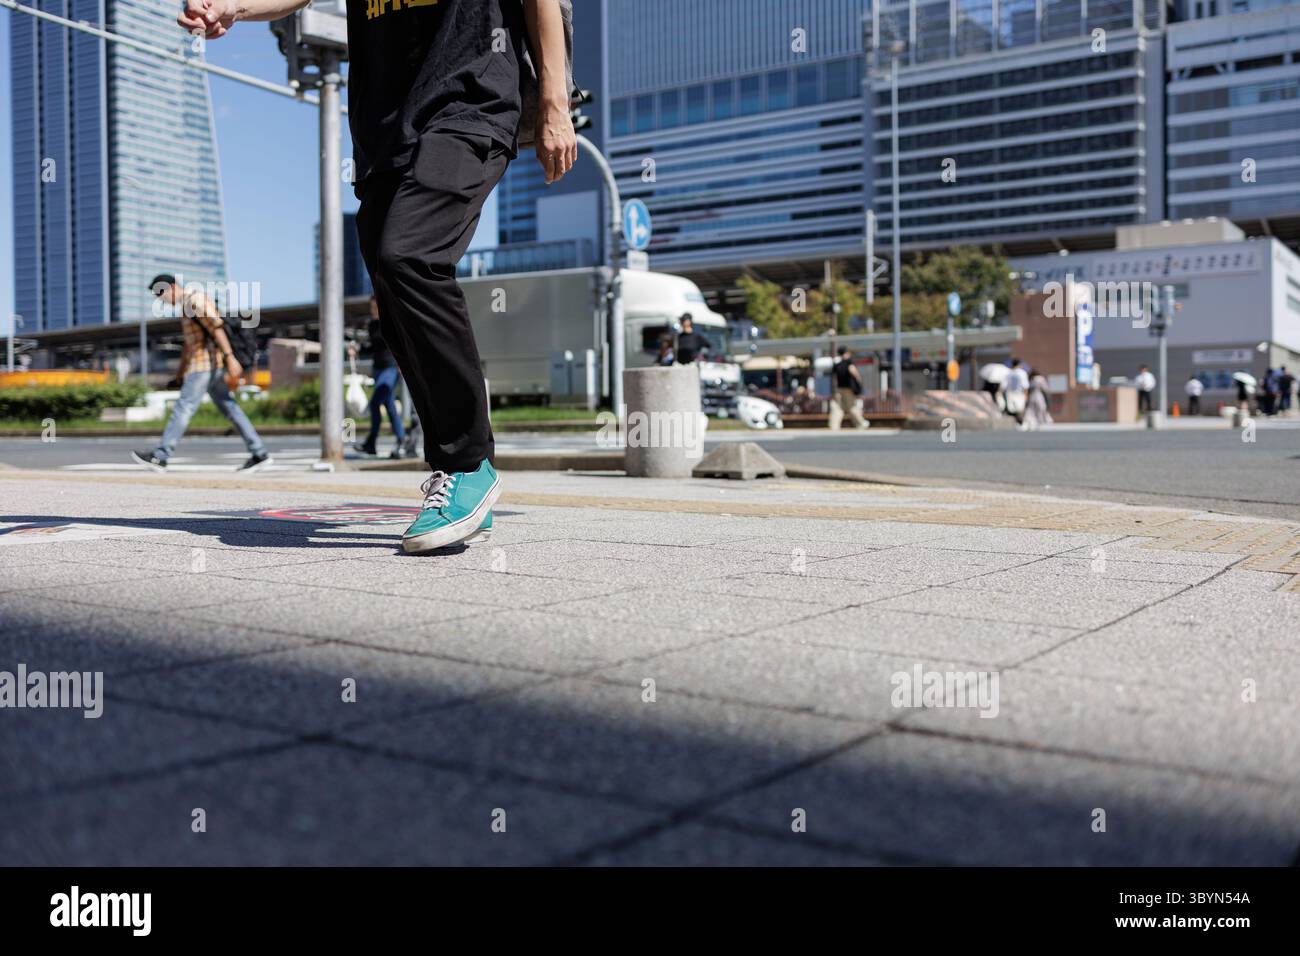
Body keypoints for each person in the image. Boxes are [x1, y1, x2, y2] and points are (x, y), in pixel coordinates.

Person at [179, 0, 575, 554]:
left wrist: (554, 102)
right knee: (392, 292)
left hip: (472, 97)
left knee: (408, 254)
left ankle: (467, 464)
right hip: (386, 122)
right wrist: (236, 8)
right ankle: (460, 470)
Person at [132, 275, 271, 473]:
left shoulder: (195, 300)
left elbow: (217, 328)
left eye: (160, 293)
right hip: (205, 365)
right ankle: (259, 453)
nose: (159, 299)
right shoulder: (185, 307)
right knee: (230, 408)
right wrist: (180, 374)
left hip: (205, 366)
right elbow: (190, 346)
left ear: (172, 287)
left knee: (184, 407)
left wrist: (230, 357)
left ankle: (160, 455)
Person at [356, 295, 406, 458]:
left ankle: (372, 441)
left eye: (375, 308)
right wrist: (357, 349)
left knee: (375, 402)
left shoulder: (391, 322)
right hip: (377, 368)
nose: (373, 311)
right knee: (389, 405)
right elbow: (373, 348)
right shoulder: (372, 325)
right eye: (371, 308)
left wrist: (402, 363)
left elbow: (401, 343)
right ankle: (399, 441)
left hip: (391, 368)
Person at [828, 347, 869, 430]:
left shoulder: (837, 365)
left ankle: (834, 425)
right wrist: (859, 383)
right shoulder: (848, 363)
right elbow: (855, 373)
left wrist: (834, 390)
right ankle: (860, 423)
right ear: (846, 353)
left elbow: (834, 379)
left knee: (837, 408)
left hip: (839, 389)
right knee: (852, 406)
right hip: (849, 389)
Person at [1000, 358, 1029, 425]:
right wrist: (1026, 394)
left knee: (1012, 409)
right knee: (1020, 408)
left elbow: (1004, 385)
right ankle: (1021, 422)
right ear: (1019, 364)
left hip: (1009, 393)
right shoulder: (1022, 373)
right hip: (1019, 393)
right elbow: (1025, 385)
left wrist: (1000, 393)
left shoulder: (1008, 373)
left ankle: (1017, 422)